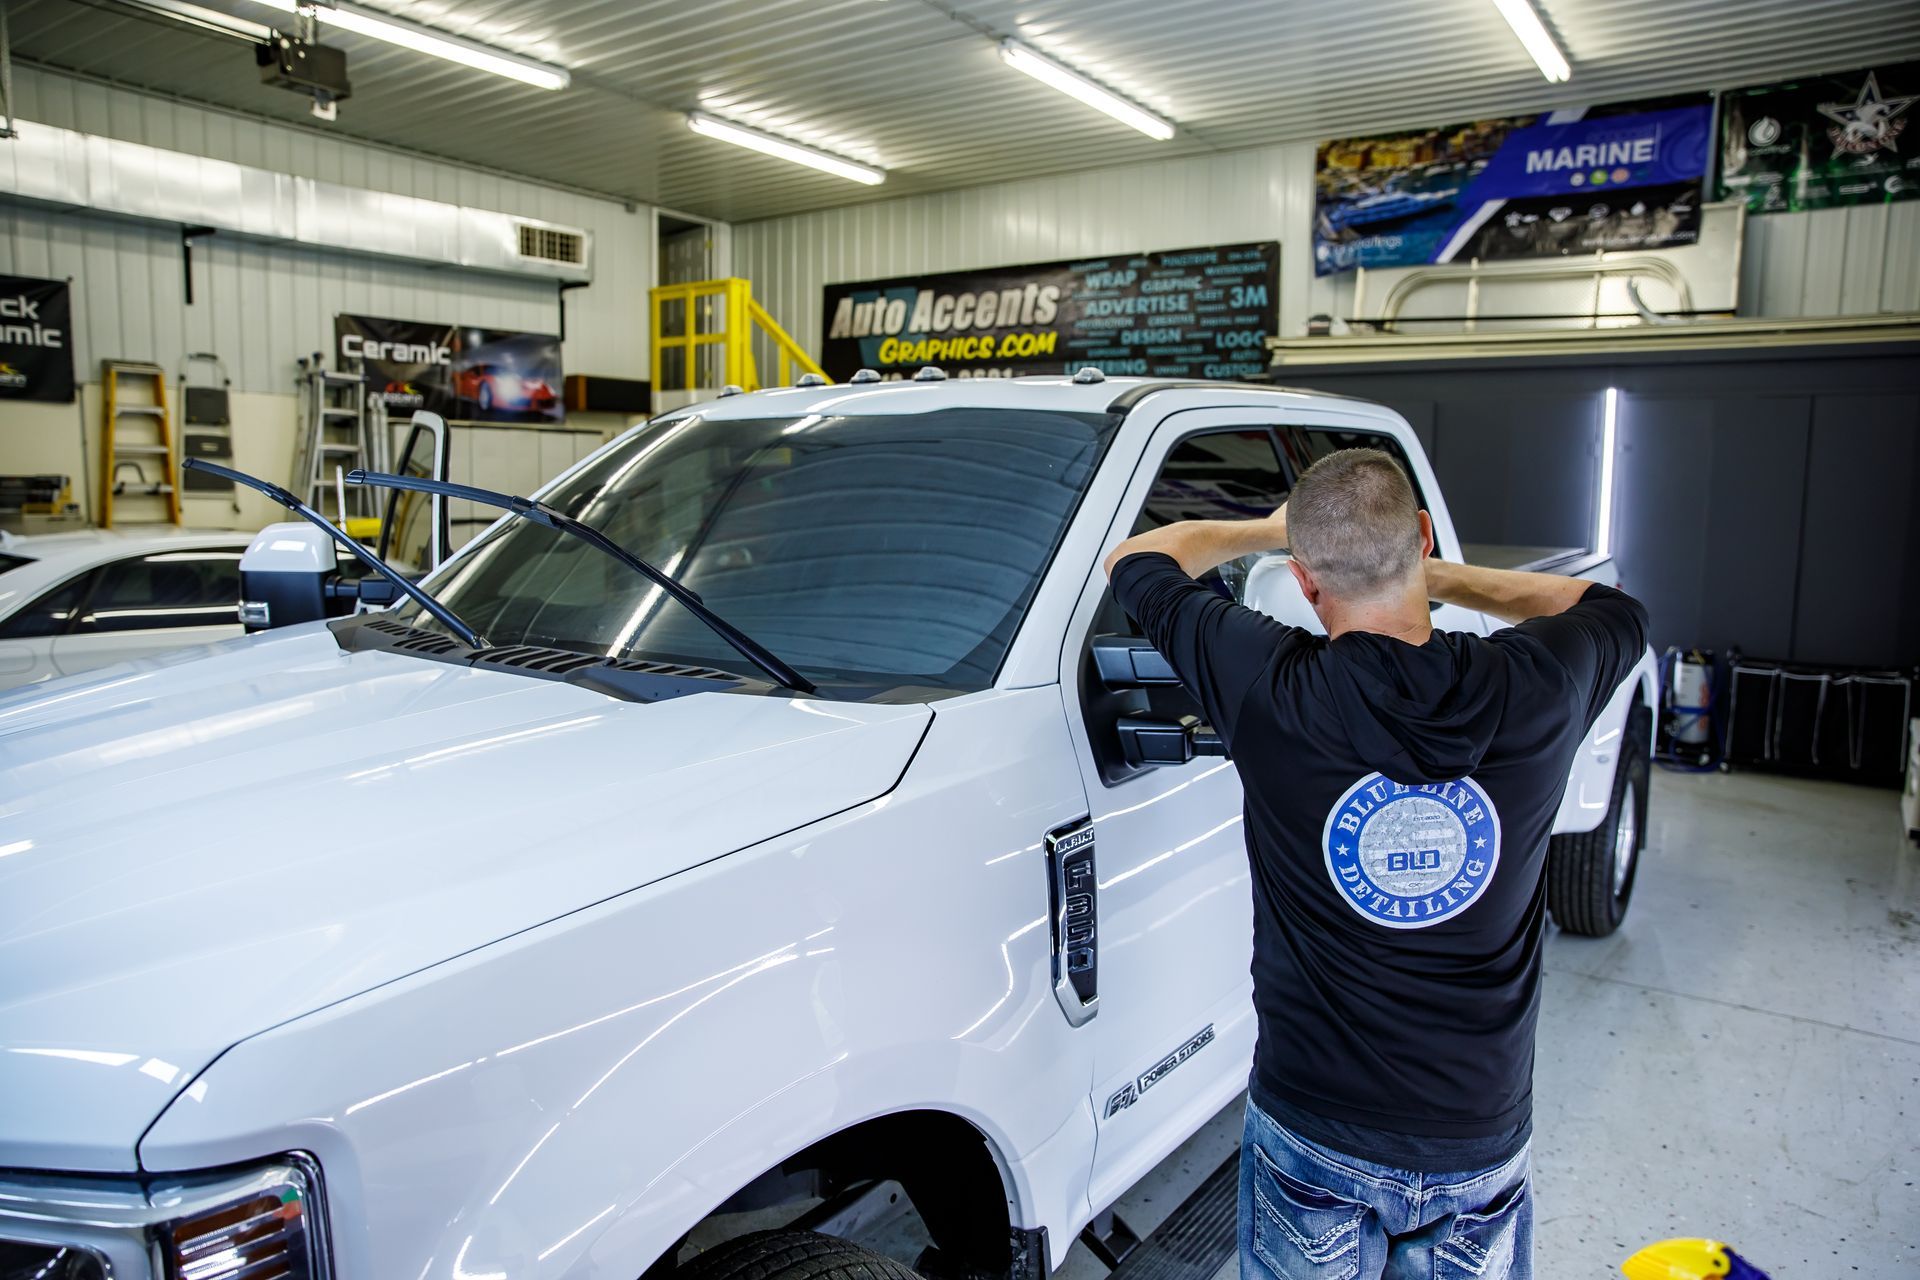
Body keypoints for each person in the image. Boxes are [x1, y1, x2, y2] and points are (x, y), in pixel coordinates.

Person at [1101, 448, 1648, 1280]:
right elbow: (1609, 606)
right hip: (1479, 1129)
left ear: (1303, 580)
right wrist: (1430, 572)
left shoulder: (1266, 686)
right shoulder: (1541, 684)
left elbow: (1140, 557)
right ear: (1423, 537)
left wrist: (1276, 530)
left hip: (1315, 1126)